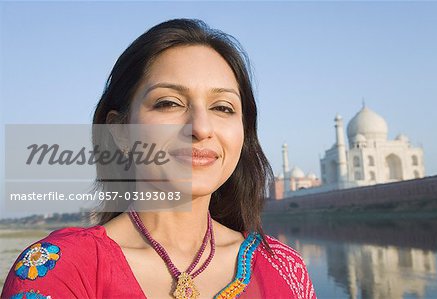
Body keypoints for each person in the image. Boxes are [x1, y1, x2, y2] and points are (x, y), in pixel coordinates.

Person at [1, 19, 316, 299]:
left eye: (223, 107)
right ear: (120, 132)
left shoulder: (284, 268)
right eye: (168, 103)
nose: (201, 128)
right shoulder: (59, 269)